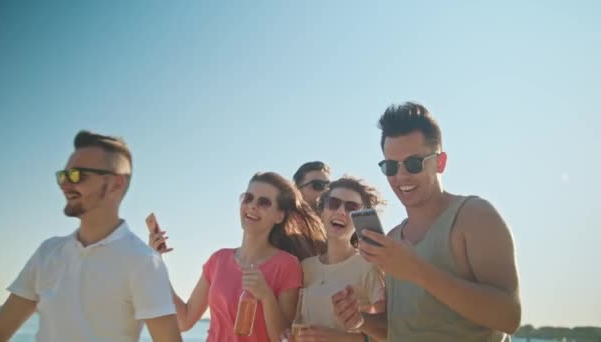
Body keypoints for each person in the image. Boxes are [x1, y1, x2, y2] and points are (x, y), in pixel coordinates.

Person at [332, 102, 521, 341]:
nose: (401, 176)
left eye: (413, 163)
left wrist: (417, 271)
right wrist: (359, 320)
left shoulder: (475, 216)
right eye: (390, 166)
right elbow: (399, 328)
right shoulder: (392, 239)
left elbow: (509, 316)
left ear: (440, 162)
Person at [0, 130, 181, 342]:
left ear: (115, 184)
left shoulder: (144, 262)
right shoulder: (47, 252)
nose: (64, 184)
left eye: (76, 175)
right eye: (62, 176)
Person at [149, 172, 327, 341]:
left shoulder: (287, 265)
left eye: (264, 202)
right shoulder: (218, 260)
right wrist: (156, 264)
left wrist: (266, 296)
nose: (252, 206)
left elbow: (282, 339)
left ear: (279, 216)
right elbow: (184, 320)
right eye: (248, 198)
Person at [281, 176, 386, 342]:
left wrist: (338, 338)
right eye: (334, 203)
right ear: (321, 212)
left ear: (359, 219)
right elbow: (298, 322)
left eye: (352, 207)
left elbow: (387, 333)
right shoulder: (305, 267)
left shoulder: (369, 265)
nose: (341, 211)